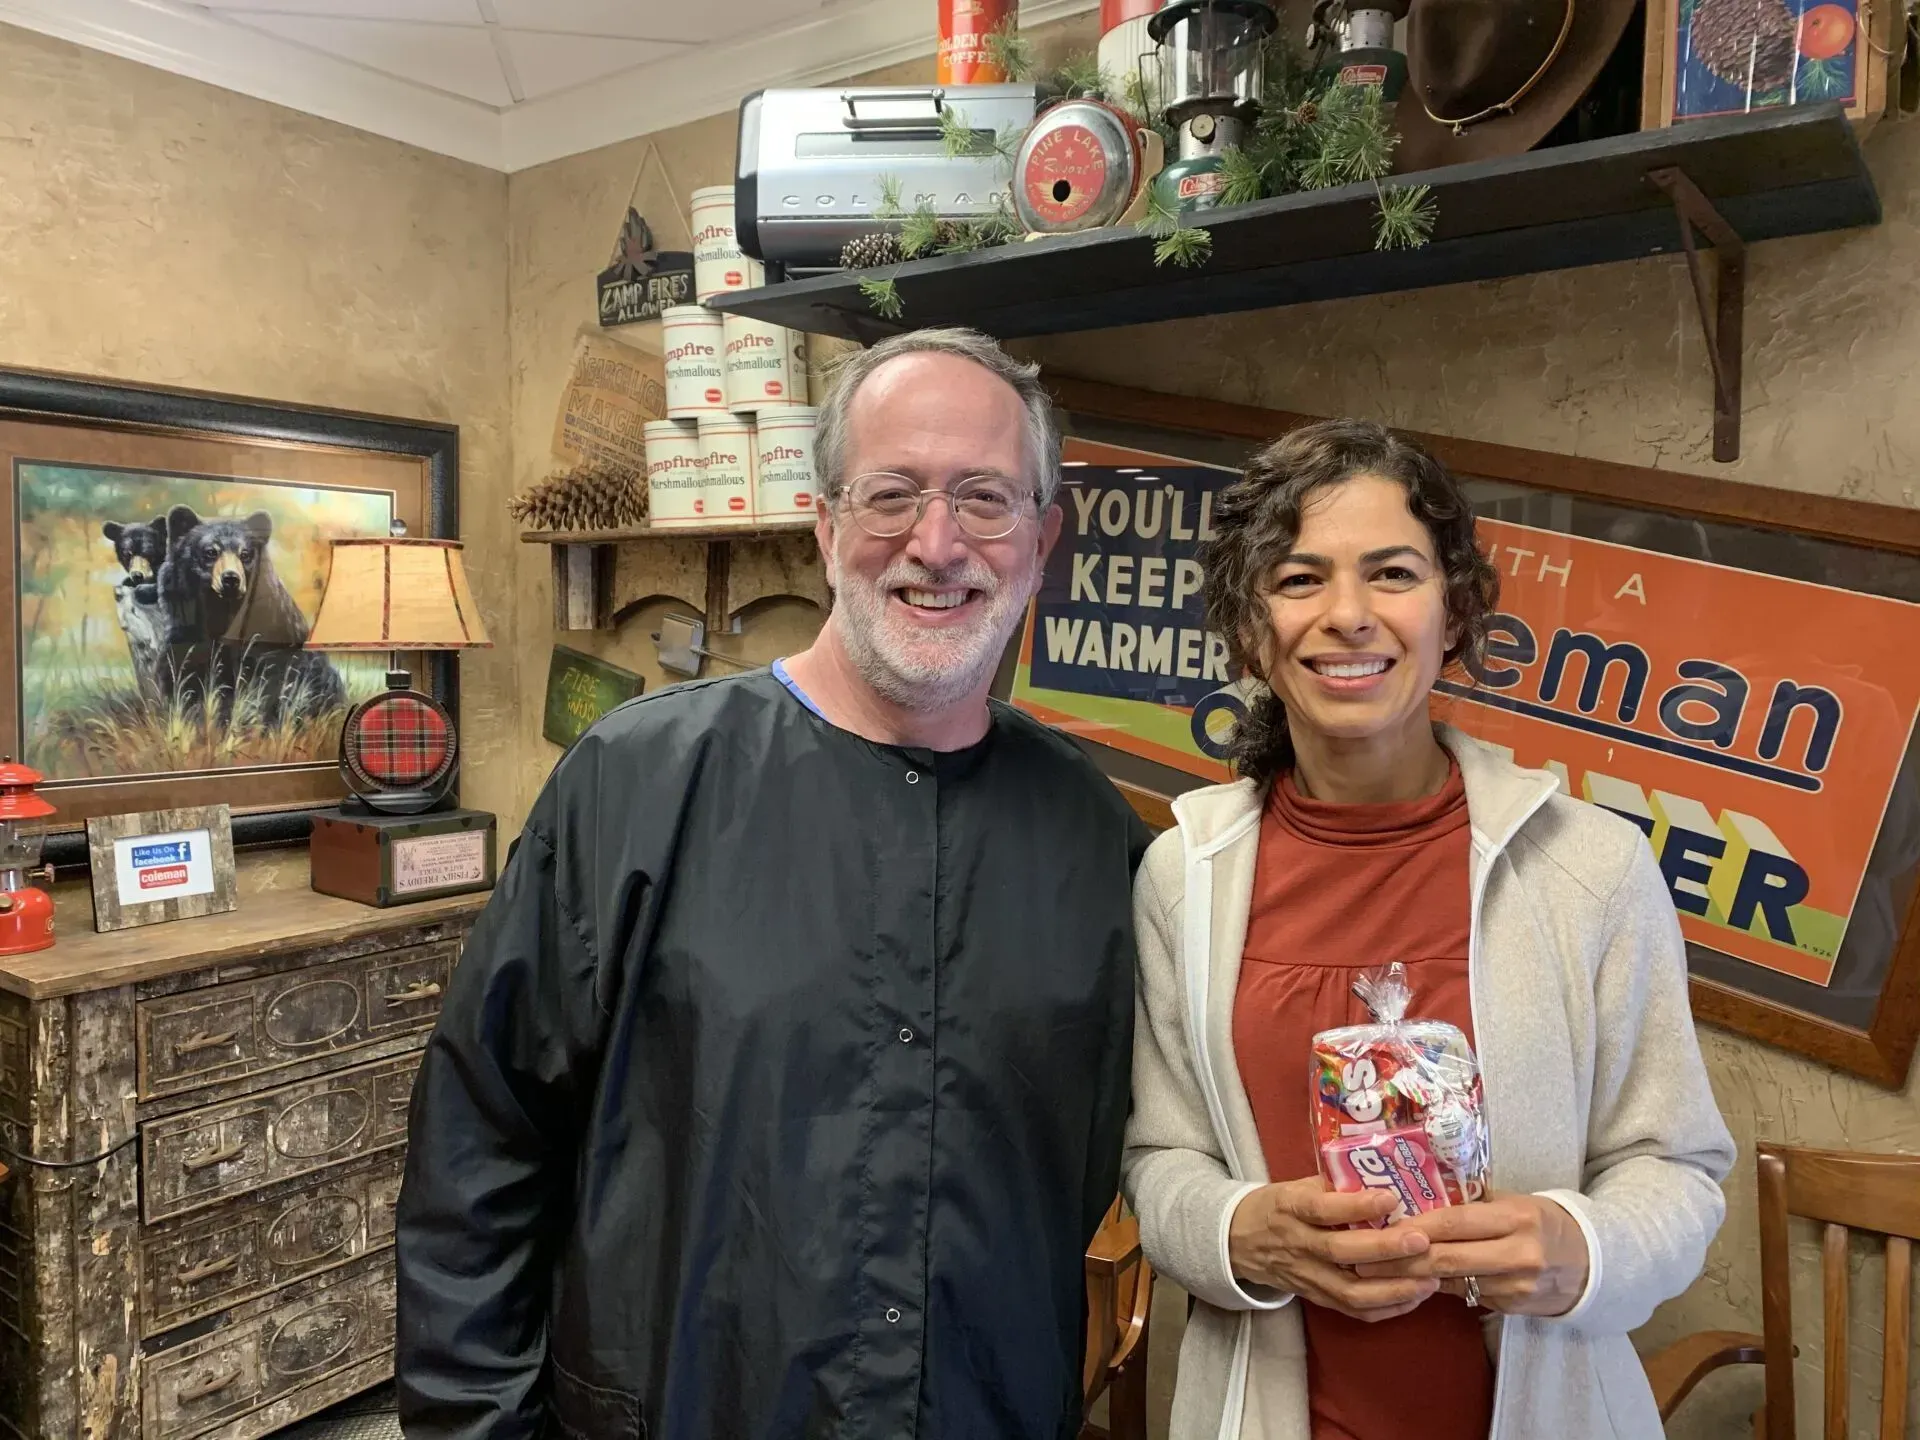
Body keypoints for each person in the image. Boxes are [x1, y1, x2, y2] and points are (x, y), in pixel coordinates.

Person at [394, 327, 1152, 1440]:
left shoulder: (1094, 834)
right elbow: (481, 1152)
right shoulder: (635, 784)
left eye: (984, 499)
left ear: (1041, 542)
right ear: (826, 524)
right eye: (892, 494)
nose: (936, 544)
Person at [1124, 420, 1735, 1440]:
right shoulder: (1182, 877)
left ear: (1453, 612)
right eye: (1299, 578)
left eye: (1393, 573)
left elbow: (1675, 1168)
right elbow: (1159, 1163)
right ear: (1246, 626)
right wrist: (1242, 1233)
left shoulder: (1590, 867)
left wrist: (1578, 1245)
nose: (1349, 616)